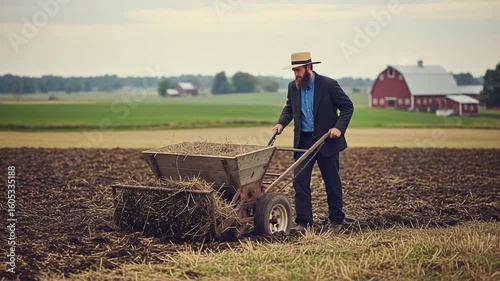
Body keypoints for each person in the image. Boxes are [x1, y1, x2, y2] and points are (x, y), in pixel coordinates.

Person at [273, 51, 354, 234]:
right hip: (303, 141)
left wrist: (338, 128)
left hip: (327, 140)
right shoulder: (293, 87)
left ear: (309, 67)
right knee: (300, 182)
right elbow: (289, 108)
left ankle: (336, 220)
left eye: (299, 70)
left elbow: (348, 107)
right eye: (294, 70)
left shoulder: (329, 85)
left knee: (331, 181)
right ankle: (304, 222)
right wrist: (281, 123)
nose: (296, 74)